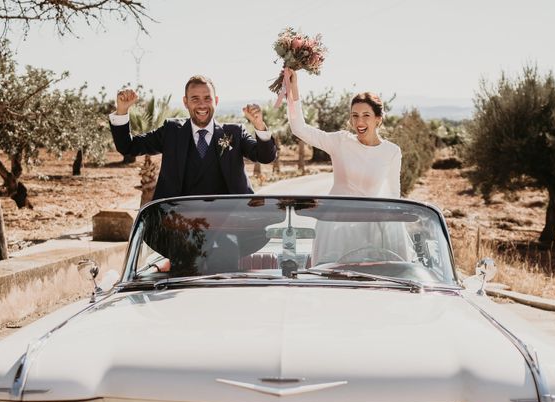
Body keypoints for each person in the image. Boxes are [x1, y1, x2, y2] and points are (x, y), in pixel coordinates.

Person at [283, 68, 411, 265]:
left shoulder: (392, 152)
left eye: (366, 115)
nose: (359, 121)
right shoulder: (340, 141)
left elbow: (394, 196)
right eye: (355, 115)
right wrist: (293, 89)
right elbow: (299, 128)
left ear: (378, 119)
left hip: (372, 228)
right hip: (335, 227)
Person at [110, 75, 278, 202]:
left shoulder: (234, 132)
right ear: (185, 102)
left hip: (229, 226)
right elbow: (128, 147)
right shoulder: (171, 132)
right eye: (195, 99)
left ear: (216, 101)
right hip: (180, 228)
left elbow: (265, 157)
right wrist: (122, 111)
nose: (202, 105)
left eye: (207, 98)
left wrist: (259, 125)